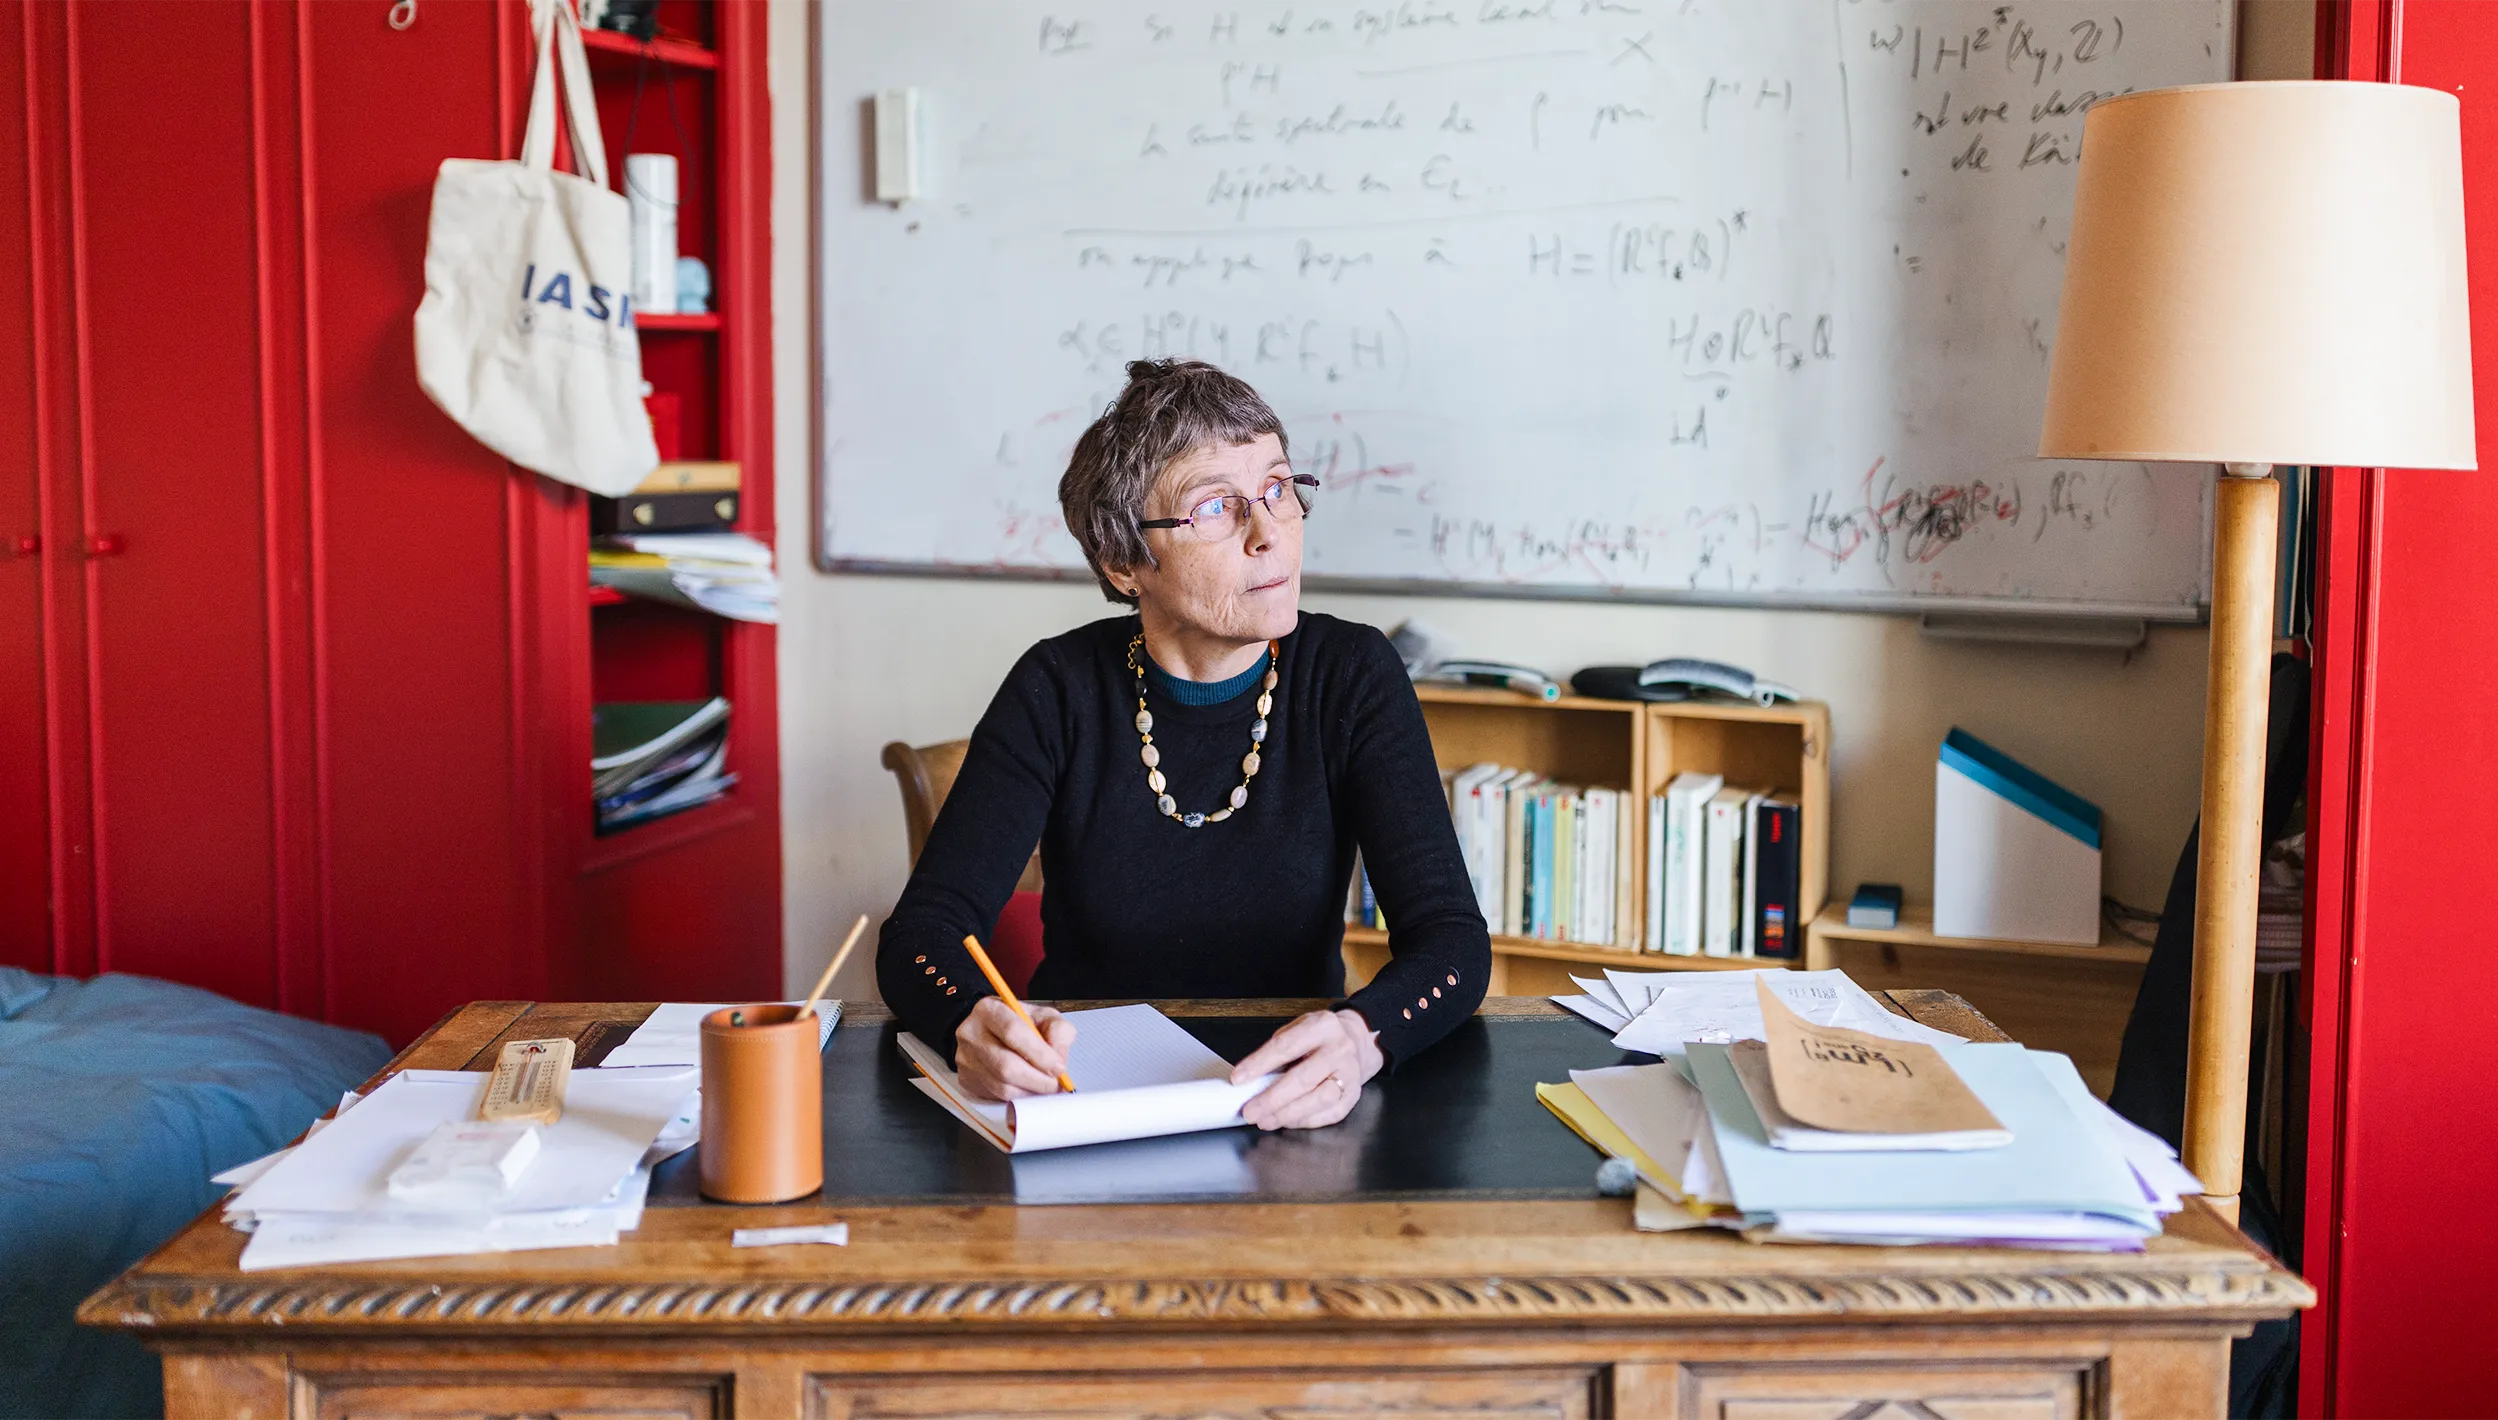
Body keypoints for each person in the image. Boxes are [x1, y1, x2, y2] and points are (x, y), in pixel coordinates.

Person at [876, 359, 1491, 1130]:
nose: (1270, 533)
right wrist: (970, 1021)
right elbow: (923, 935)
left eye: (1277, 489)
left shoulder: (1352, 674)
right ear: (1126, 562)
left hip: (1282, 1100)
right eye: (1215, 509)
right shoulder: (1057, 687)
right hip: (1082, 1104)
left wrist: (1363, 1037)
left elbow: (1453, 942)